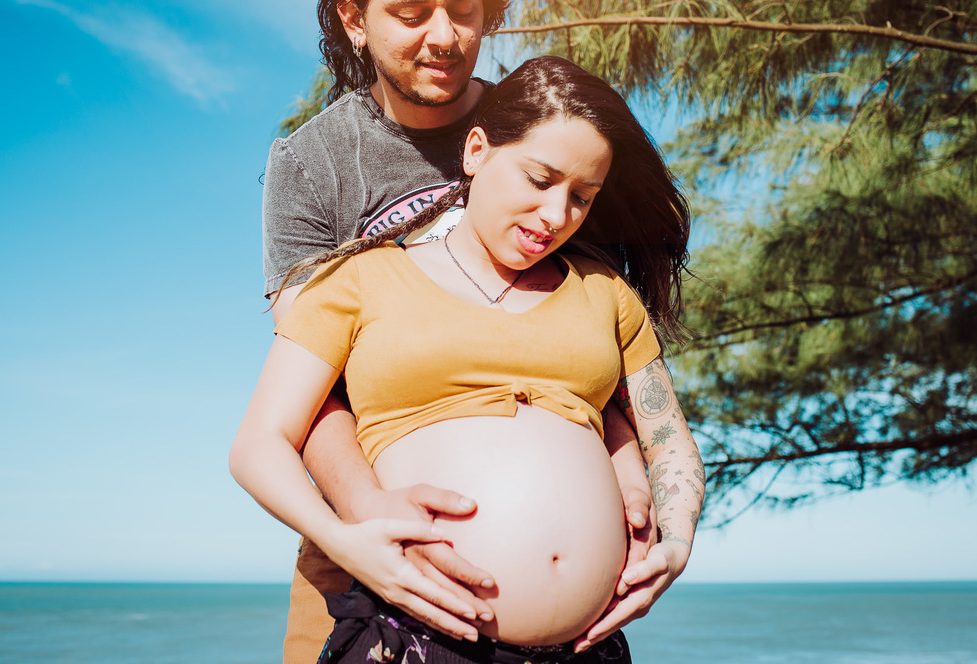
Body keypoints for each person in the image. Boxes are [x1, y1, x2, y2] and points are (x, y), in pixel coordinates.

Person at [261, 0, 661, 664]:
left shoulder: (546, 137)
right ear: (354, 18)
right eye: (411, 14)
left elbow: (588, 346)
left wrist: (632, 472)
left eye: (464, 8)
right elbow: (311, 394)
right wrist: (373, 525)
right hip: (372, 568)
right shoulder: (310, 165)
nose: (443, 35)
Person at [236, 56, 705, 664]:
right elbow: (258, 444)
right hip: (414, 639)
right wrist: (345, 541)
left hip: (585, 649)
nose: (555, 216)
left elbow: (670, 443)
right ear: (477, 150)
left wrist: (676, 545)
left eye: (582, 198)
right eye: (539, 180)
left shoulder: (605, 293)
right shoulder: (362, 280)